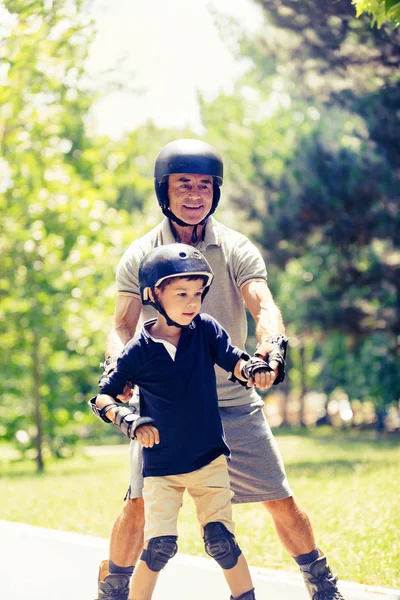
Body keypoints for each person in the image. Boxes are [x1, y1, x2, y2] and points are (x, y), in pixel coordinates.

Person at [91, 139, 345, 600]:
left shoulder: (234, 247)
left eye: (204, 185)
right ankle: (114, 589)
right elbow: (122, 324)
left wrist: (271, 347)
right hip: (164, 407)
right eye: (183, 184)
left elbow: (261, 302)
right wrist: (119, 368)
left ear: (216, 191)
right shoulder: (141, 253)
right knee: (138, 506)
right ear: (163, 190)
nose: (194, 194)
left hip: (231, 399)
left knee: (279, 499)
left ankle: (322, 585)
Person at [91, 243, 271, 600]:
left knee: (222, 541)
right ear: (153, 294)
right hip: (161, 465)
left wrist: (254, 369)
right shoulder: (138, 350)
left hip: (208, 457)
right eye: (182, 294)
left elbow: (233, 358)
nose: (193, 303)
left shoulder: (205, 329)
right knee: (159, 547)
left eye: (198, 293)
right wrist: (130, 421)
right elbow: (102, 398)